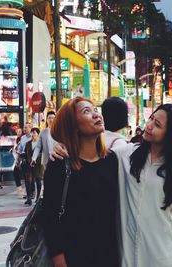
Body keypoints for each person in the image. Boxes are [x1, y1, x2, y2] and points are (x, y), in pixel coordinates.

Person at [53, 104, 172, 267]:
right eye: (151, 119)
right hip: (127, 258)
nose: (149, 126)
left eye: (158, 125)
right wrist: (62, 146)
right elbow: (92, 155)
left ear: (171, 134)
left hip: (162, 256)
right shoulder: (126, 154)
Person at [42, 97, 119, 267]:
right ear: (73, 126)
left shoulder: (112, 160)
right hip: (74, 257)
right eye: (86, 111)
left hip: (110, 256)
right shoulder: (60, 165)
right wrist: (59, 262)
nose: (96, 115)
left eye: (95, 110)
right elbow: (50, 218)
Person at [24, 128, 44, 206]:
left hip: (38, 165)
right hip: (29, 165)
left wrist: (35, 159)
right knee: (28, 181)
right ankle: (29, 198)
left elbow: (42, 153)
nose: (33, 134)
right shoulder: (28, 143)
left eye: (35, 133)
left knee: (38, 181)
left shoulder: (41, 144)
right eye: (32, 133)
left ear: (38, 134)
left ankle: (38, 198)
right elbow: (26, 154)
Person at [13, 127, 23, 198]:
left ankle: (21, 189)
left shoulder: (23, 139)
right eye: (17, 131)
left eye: (20, 131)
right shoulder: (16, 139)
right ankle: (19, 188)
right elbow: (15, 148)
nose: (18, 133)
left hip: (21, 159)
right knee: (16, 172)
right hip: (17, 159)